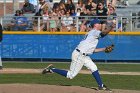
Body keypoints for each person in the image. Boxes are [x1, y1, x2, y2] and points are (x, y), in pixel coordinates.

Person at [42, 19, 114, 91]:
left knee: (94, 67)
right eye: (99, 23)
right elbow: (103, 33)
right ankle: (52, 69)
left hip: (84, 55)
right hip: (79, 55)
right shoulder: (94, 32)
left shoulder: (92, 34)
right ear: (95, 25)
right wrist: (110, 27)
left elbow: (92, 50)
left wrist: (104, 49)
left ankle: (100, 85)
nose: (100, 25)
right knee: (70, 75)